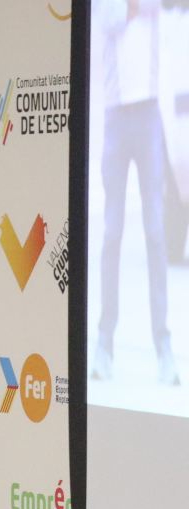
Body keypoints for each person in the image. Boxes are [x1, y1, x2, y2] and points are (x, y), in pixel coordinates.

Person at [94, 0, 179, 384]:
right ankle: (104, 342)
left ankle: (163, 344)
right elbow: (110, 18)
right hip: (116, 117)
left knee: (156, 233)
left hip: (148, 116)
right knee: (112, 233)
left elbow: (162, 6)